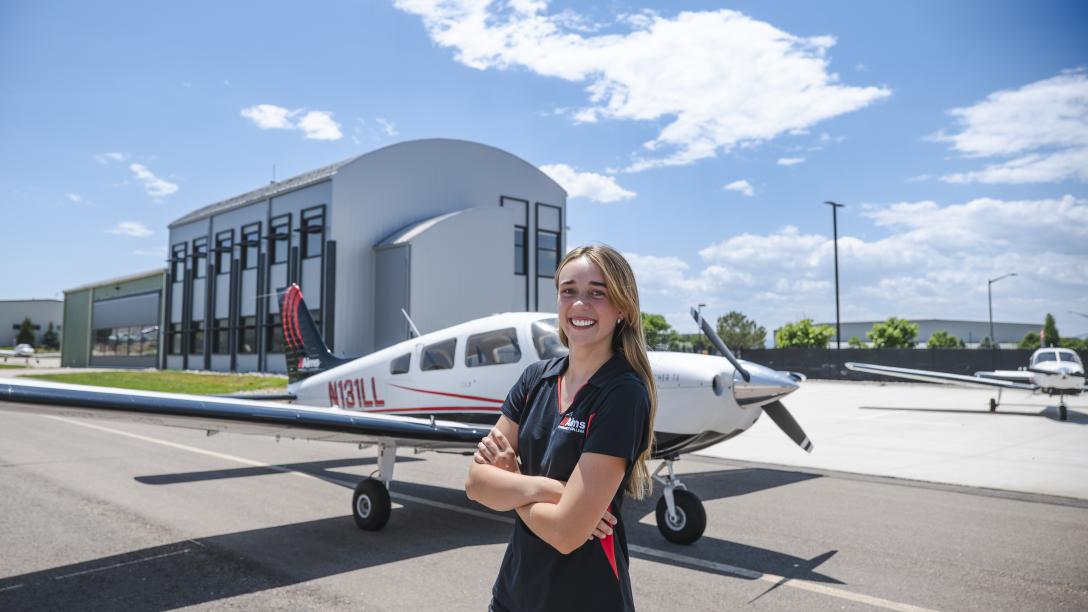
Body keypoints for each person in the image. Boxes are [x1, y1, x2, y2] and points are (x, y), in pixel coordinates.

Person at [465, 244, 658, 612]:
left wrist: (511, 481)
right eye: (568, 290)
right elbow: (475, 484)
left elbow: (566, 534)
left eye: (597, 292)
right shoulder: (535, 379)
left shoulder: (623, 393)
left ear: (622, 308)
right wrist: (548, 489)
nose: (580, 304)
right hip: (512, 597)